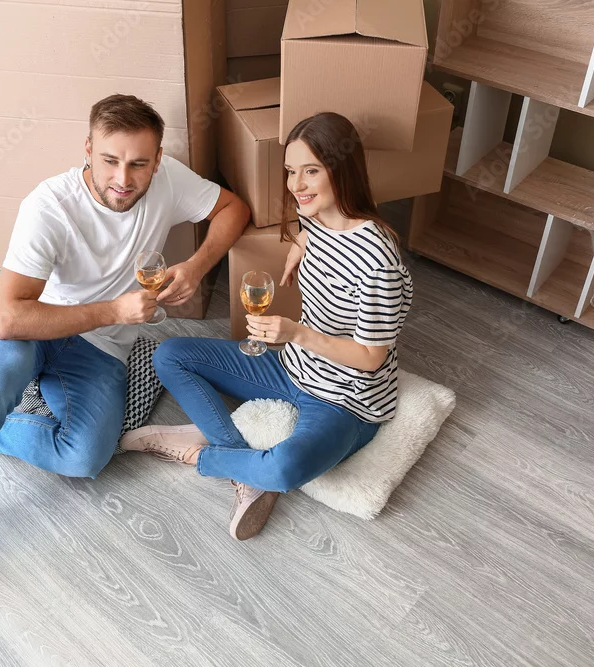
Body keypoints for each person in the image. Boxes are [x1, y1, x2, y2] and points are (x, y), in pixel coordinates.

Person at [0, 94, 250, 649]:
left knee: (85, 458)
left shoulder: (169, 180)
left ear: (157, 161)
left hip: (99, 346)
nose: (123, 178)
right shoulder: (49, 206)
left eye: (139, 163)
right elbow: (10, 317)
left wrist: (197, 265)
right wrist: (114, 311)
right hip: (34, 323)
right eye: (110, 160)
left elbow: (233, 209)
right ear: (87, 149)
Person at [121, 112, 413, 541]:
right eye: (292, 171)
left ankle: (202, 455)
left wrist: (295, 333)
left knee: (284, 468)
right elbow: (317, 229)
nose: (296, 185)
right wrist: (301, 242)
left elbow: (371, 358)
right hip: (292, 367)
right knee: (169, 354)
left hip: (345, 399)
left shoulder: (378, 263)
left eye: (311, 171)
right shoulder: (315, 217)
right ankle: (243, 460)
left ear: (342, 170)